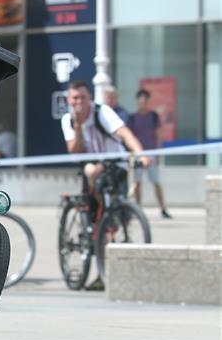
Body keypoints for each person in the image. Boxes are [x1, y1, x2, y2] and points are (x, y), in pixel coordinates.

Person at [61, 80, 150, 290]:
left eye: (82, 97)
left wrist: (141, 154)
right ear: (69, 100)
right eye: (74, 98)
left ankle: (112, 215)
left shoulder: (103, 112)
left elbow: (125, 134)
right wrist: (79, 126)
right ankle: (99, 214)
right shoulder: (68, 120)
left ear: (89, 98)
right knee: (91, 171)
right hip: (89, 165)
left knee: (116, 218)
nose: (79, 102)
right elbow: (75, 150)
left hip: (114, 164)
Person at [127, 89, 171, 219]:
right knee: (137, 182)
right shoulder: (132, 118)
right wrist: (132, 155)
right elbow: (129, 137)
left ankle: (163, 209)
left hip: (151, 154)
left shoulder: (153, 116)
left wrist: (158, 153)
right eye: (140, 101)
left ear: (148, 102)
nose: (142, 103)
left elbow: (158, 135)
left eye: (145, 101)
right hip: (138, 155)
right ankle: (138, 209)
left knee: (156, 182)